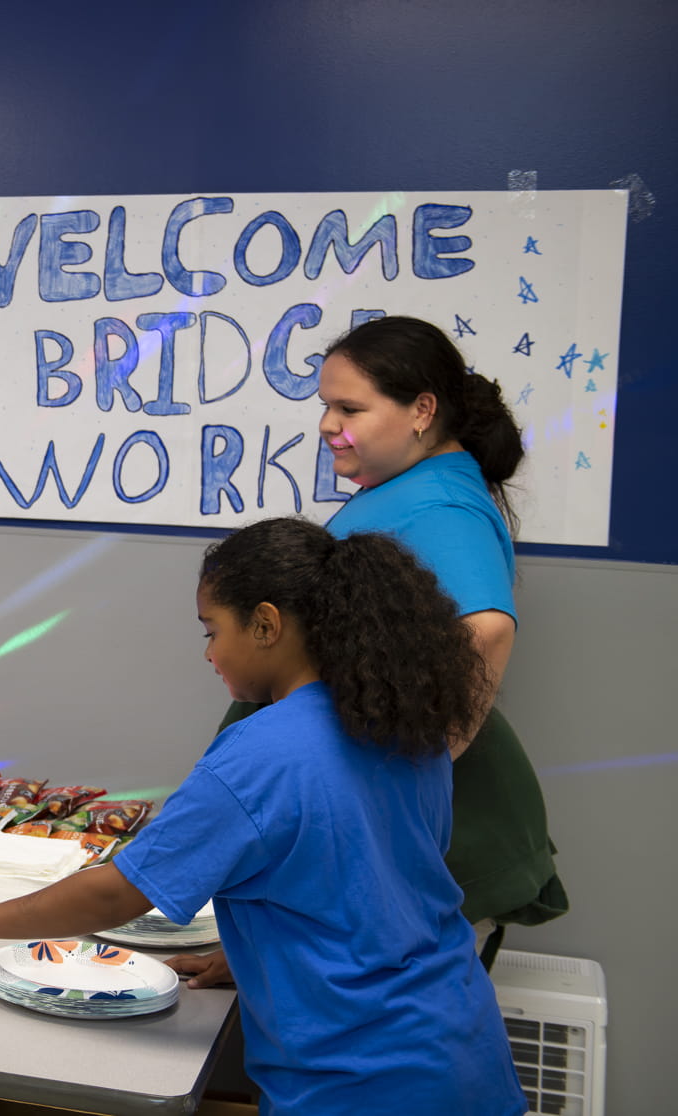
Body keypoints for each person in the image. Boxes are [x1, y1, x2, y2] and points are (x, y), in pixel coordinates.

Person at [0, 517, 526, 1116]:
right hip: (465, 1054)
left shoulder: (262, 754)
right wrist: (256, 956)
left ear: (266, 624)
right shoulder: (408, 728)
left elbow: (122, 892)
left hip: (359, 1084)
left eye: (212, 631)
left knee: (14, 1106)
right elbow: (378, 884)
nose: (210, 653)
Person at [190, 315, 566, 990]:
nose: (330, 424)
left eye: (350, 408)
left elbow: (488, 629)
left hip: (435, 836)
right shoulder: (404, 489)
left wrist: (409, 761)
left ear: (423, 410)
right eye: (326, 406)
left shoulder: (443, 503)